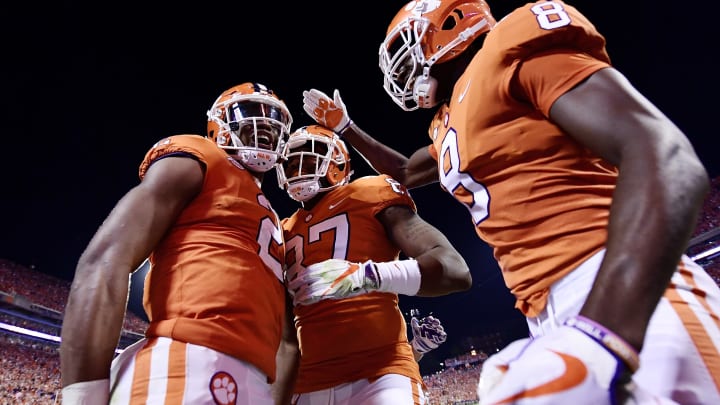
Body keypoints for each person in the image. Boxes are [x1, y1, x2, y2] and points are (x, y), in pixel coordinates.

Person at [299, 0, 720, 403]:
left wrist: (601, 329)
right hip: (545, 310)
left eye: (408, 55)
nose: (404, 73)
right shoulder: (450, 121)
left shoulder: (508, 50)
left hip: (612, 280)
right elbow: (408, 171)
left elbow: (665, 156)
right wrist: (347, 127)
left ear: (451, 27)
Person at [60, 82, 296, 404]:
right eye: (252, 113)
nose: (265, 126)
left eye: (273, 119)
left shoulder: (272, 218)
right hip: (190, 359)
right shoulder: (203, 157)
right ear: (219, 124)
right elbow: (105, 259)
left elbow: (287, 341)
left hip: (254, 378)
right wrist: (83, 394)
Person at [274, 124, 472, 404]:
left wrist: (364, 276)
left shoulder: (368, 192)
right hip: (306, 380)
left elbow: (454, 270)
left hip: (381, 371)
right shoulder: (280, 231)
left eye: (307, 159)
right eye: (291, 163)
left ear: (337, 163)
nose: (297, 169)